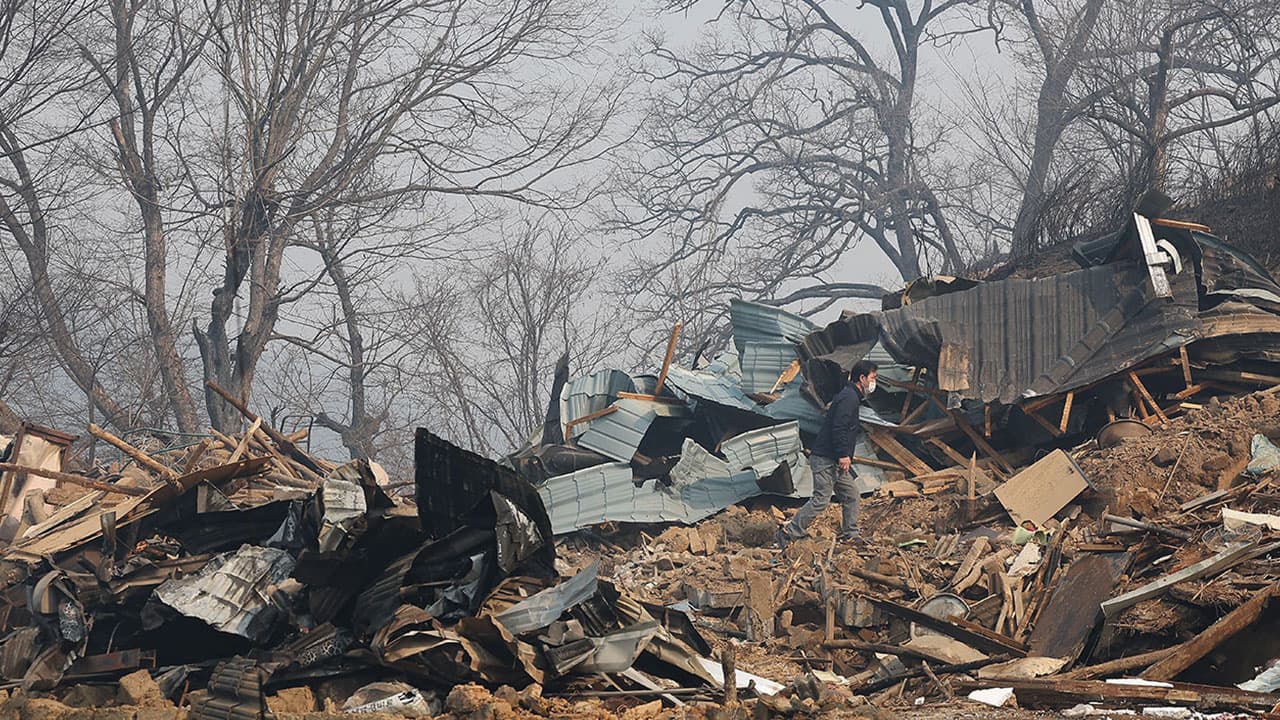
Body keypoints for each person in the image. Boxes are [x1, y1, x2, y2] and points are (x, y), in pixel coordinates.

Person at [777, 360, 877, 549]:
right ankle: (789, 532)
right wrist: (843, 455)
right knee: (821, 499)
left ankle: (851, 534)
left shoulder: (851, 396)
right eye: (873, 378)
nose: (874, 382)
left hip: (835, 460)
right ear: (862, 378)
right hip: (827, 459)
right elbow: (839, 428)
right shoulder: (849, 398)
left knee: (852, 495)